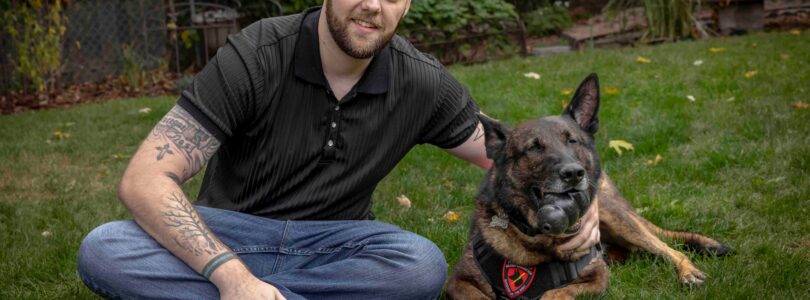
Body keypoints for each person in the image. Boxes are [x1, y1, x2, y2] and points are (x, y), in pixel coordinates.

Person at [77, 0, 599, 299]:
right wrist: (234, 278)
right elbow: (143, 180)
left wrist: (588, 209)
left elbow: (519, 157)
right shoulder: (256, 54)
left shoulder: (421, 82)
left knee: (419, 265)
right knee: (104, 250)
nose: (373, 5)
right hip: (228, 231)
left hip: (337, 245)